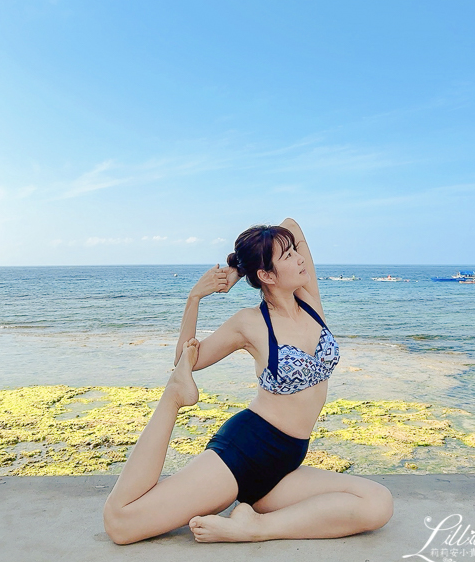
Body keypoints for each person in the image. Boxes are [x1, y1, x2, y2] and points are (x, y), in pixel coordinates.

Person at [103, 218, 394, 544]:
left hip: (285, 464)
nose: (300, 259)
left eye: (295, 252)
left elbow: (291, 225)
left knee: (377, 503)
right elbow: (185, 361)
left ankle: (252, 527)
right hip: (245, 453)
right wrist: (195, 297)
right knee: (121, 523)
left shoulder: (309, 298)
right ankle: (173, 399)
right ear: (267, 275)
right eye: (288, 256)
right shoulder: (249, 323)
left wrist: (242, 268)